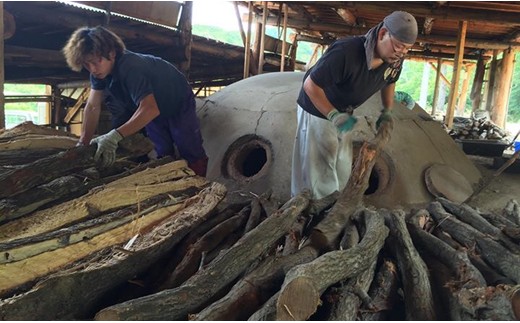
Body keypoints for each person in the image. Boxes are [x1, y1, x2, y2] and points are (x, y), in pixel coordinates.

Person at [291, 11, 417, 199]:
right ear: (382, 34)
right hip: (317, 108)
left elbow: (390, 80)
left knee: (342, 164)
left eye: (407, 48)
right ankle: (313, 212)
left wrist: (387, 111)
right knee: (319, 167)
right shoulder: (346, 52)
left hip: (345, 110)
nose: (402, 53)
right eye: (399, 46)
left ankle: (336, 204)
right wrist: (333, 115)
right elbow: (310, 85)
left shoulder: (394, 58)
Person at [62, 26, 208, 176]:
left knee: (187, 145)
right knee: (163, 149)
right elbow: (92, 106)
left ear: (111, 54)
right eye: (87, 64)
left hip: (176, 99)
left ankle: (201, 183)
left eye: (96, 61)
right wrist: (83, 143)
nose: (92, 69)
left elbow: (150, 109)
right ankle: (172, 183)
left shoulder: (131, 67)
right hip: (151, 107)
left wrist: (114, 136)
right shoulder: (98, 74)